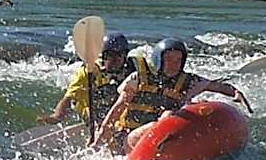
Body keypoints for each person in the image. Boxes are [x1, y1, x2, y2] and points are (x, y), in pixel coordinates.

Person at [91, 37, 249, 153]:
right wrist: (99, 141)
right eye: (168, 59)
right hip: (128, 139)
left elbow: (216, 86)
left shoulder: (188, 82)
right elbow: (117, 109)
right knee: (167, 115)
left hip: (166, 136)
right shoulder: (137, 78)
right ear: (158, 59)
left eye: (178, 60)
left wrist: (235, 93)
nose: (173, 65)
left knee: (194, 106)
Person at [38, 32, 136, 128]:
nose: (116, 60)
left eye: (120, 54)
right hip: (91, 111)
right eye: (110, 55)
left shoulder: (131, 70)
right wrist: (57, 116)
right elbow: (69, 98)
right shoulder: (88, 72)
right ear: (102, 56)